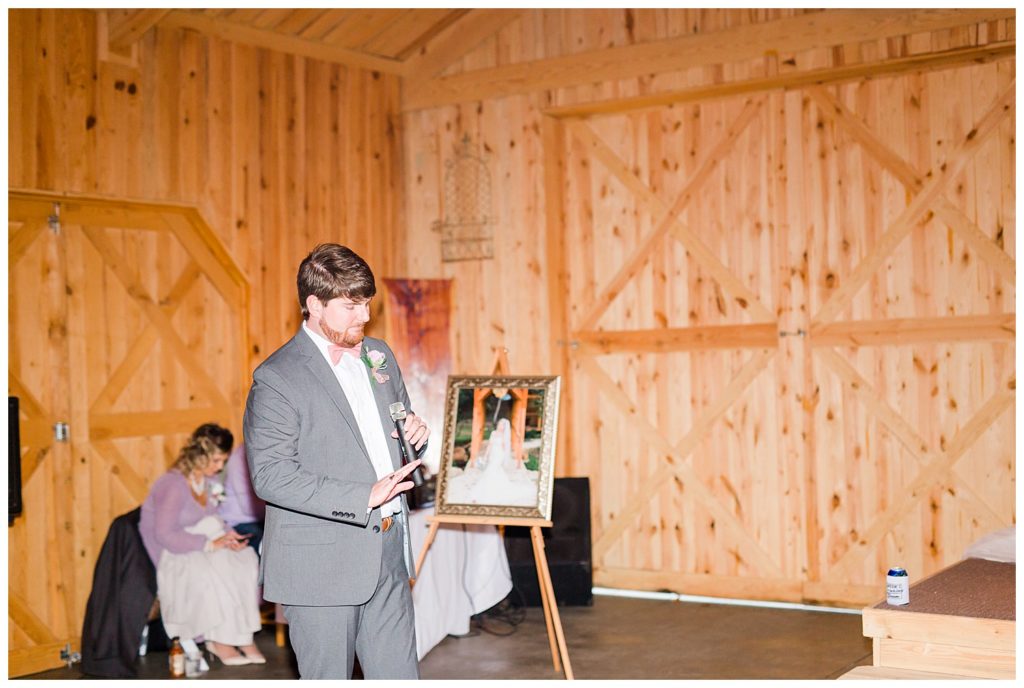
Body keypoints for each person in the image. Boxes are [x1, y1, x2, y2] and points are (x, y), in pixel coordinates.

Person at [243, 243, 427, 680]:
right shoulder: (277, 377)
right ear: (314, 304)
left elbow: (389, 436)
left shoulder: (378, 354)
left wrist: (413, 437)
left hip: (387, 547)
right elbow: (270, 476)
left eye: (366, 303)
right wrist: (363, 495)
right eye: (350, 305)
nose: (363, 316)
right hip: (321, 563)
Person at [138, 424, 265, 667]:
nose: (220, 467)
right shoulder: (172, 484)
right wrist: (208, 544)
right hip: (175, 551)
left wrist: (229, 537)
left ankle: (243, 635)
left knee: (245, 559)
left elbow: (216, 517)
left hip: (205, 540)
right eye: (216, 460)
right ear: (200, 455)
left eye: (223, 461)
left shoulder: (210, 479)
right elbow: (164, 534)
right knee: (219, 566)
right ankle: (219, 640)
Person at [217, 442, 266, 554]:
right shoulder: (239, 459)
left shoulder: (261, 451)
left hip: (259, 517)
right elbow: (248, 508)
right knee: (264, 543)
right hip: (238, 520)